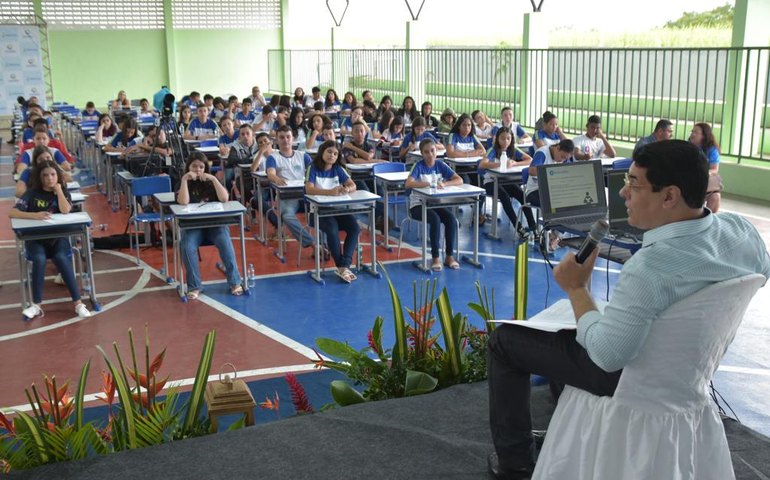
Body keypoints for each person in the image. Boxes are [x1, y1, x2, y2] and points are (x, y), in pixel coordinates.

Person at [485, 139, 770, 480]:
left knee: (504, 342)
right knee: (578, 330)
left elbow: (607, 356)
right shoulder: (742, 232)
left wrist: (577, 289)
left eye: (634, 184)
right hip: (687, 374)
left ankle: (514, 463)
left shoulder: (650, 268)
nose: (622, 194)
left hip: (628, 381)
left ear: (669, 196)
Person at [9, 160, 93, 320]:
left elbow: (66, 210)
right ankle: (36, 306)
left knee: (61, 257)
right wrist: (34, 215)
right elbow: (12, 213)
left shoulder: (62, 191)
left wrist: (59, 191)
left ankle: (78, 304)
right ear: (39, 178)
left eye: (53, 174)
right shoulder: (32, 193)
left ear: (57, 176)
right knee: (39, 259)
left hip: (57, 238)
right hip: (36, 240)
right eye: (45, 175)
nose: (49, 178)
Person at [176, 152, 243, 300]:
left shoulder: (211, 181)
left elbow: (225, 198)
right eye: (194, 166)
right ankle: (194, 286)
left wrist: (213, 178)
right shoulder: (183, 182)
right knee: (187, 246)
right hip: (194, 226)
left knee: (225, 242)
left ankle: (235, 281)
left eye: (201, 167)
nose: (198, 170)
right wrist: (185, 180)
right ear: (188, 167)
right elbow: (183, 202)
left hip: (215, 224)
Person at [305, 140, 360, 283]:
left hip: (337, 209)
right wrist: (329, 192)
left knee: (354, 227)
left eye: (335, 153)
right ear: (322, 151)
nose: (332, 155)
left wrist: (347, 189)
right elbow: (309, 189)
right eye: (329, 152)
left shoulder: (338, 169)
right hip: (318, 212)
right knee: (332, 229)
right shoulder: (313, 168)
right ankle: (342, 267)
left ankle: (344, 265)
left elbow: (352, 185)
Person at [405, 138, 464, 271]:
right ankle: (436, 258)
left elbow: (458, 179)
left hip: (435, 204)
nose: (430, 154)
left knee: (451, 220)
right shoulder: (418, 166)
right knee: (435, 220)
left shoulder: (441, 165)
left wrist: (444, 184)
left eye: (432, 151)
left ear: (437, 151)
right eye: (426, 152)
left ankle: (449, 256)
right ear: (422, 154)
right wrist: (428, 184)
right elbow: (408, 184)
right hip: (418, 206)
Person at [265, 126, 316, 251]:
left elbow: (314, 172)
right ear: (277, 140)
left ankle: (324, 246)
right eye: (281, 137)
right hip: (286, 197)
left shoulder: (303, 155)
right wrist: (276, 178)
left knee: (324, 214)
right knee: (287, 216)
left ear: (293, 139)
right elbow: (270, 173)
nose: (285, 140)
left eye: (288, 137)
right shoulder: (273, 157)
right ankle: (313, 244)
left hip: (305, 194)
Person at [478, 127, 534, 238]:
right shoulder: (493, 150)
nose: (505, 141)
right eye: (503, 138)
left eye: (508, 138)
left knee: (521, 194)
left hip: (505, 181)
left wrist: (514, 164)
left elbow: (529, 159)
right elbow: (482, 164)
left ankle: (533, 226)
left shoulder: (513, 150)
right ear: (497, 139)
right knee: (504, 196)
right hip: (491, 182)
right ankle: (518, 227)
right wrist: (500, 164)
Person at [689, 122, 722, 213]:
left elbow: (714, 169)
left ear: (704, 136)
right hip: (688, 181)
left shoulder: (711, 150)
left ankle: (710, 220)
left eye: (696, 132)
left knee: (715, 197)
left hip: (704, 180)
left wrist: (705, 173)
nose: (692, 134)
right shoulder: (687, 147)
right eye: (692, 131)